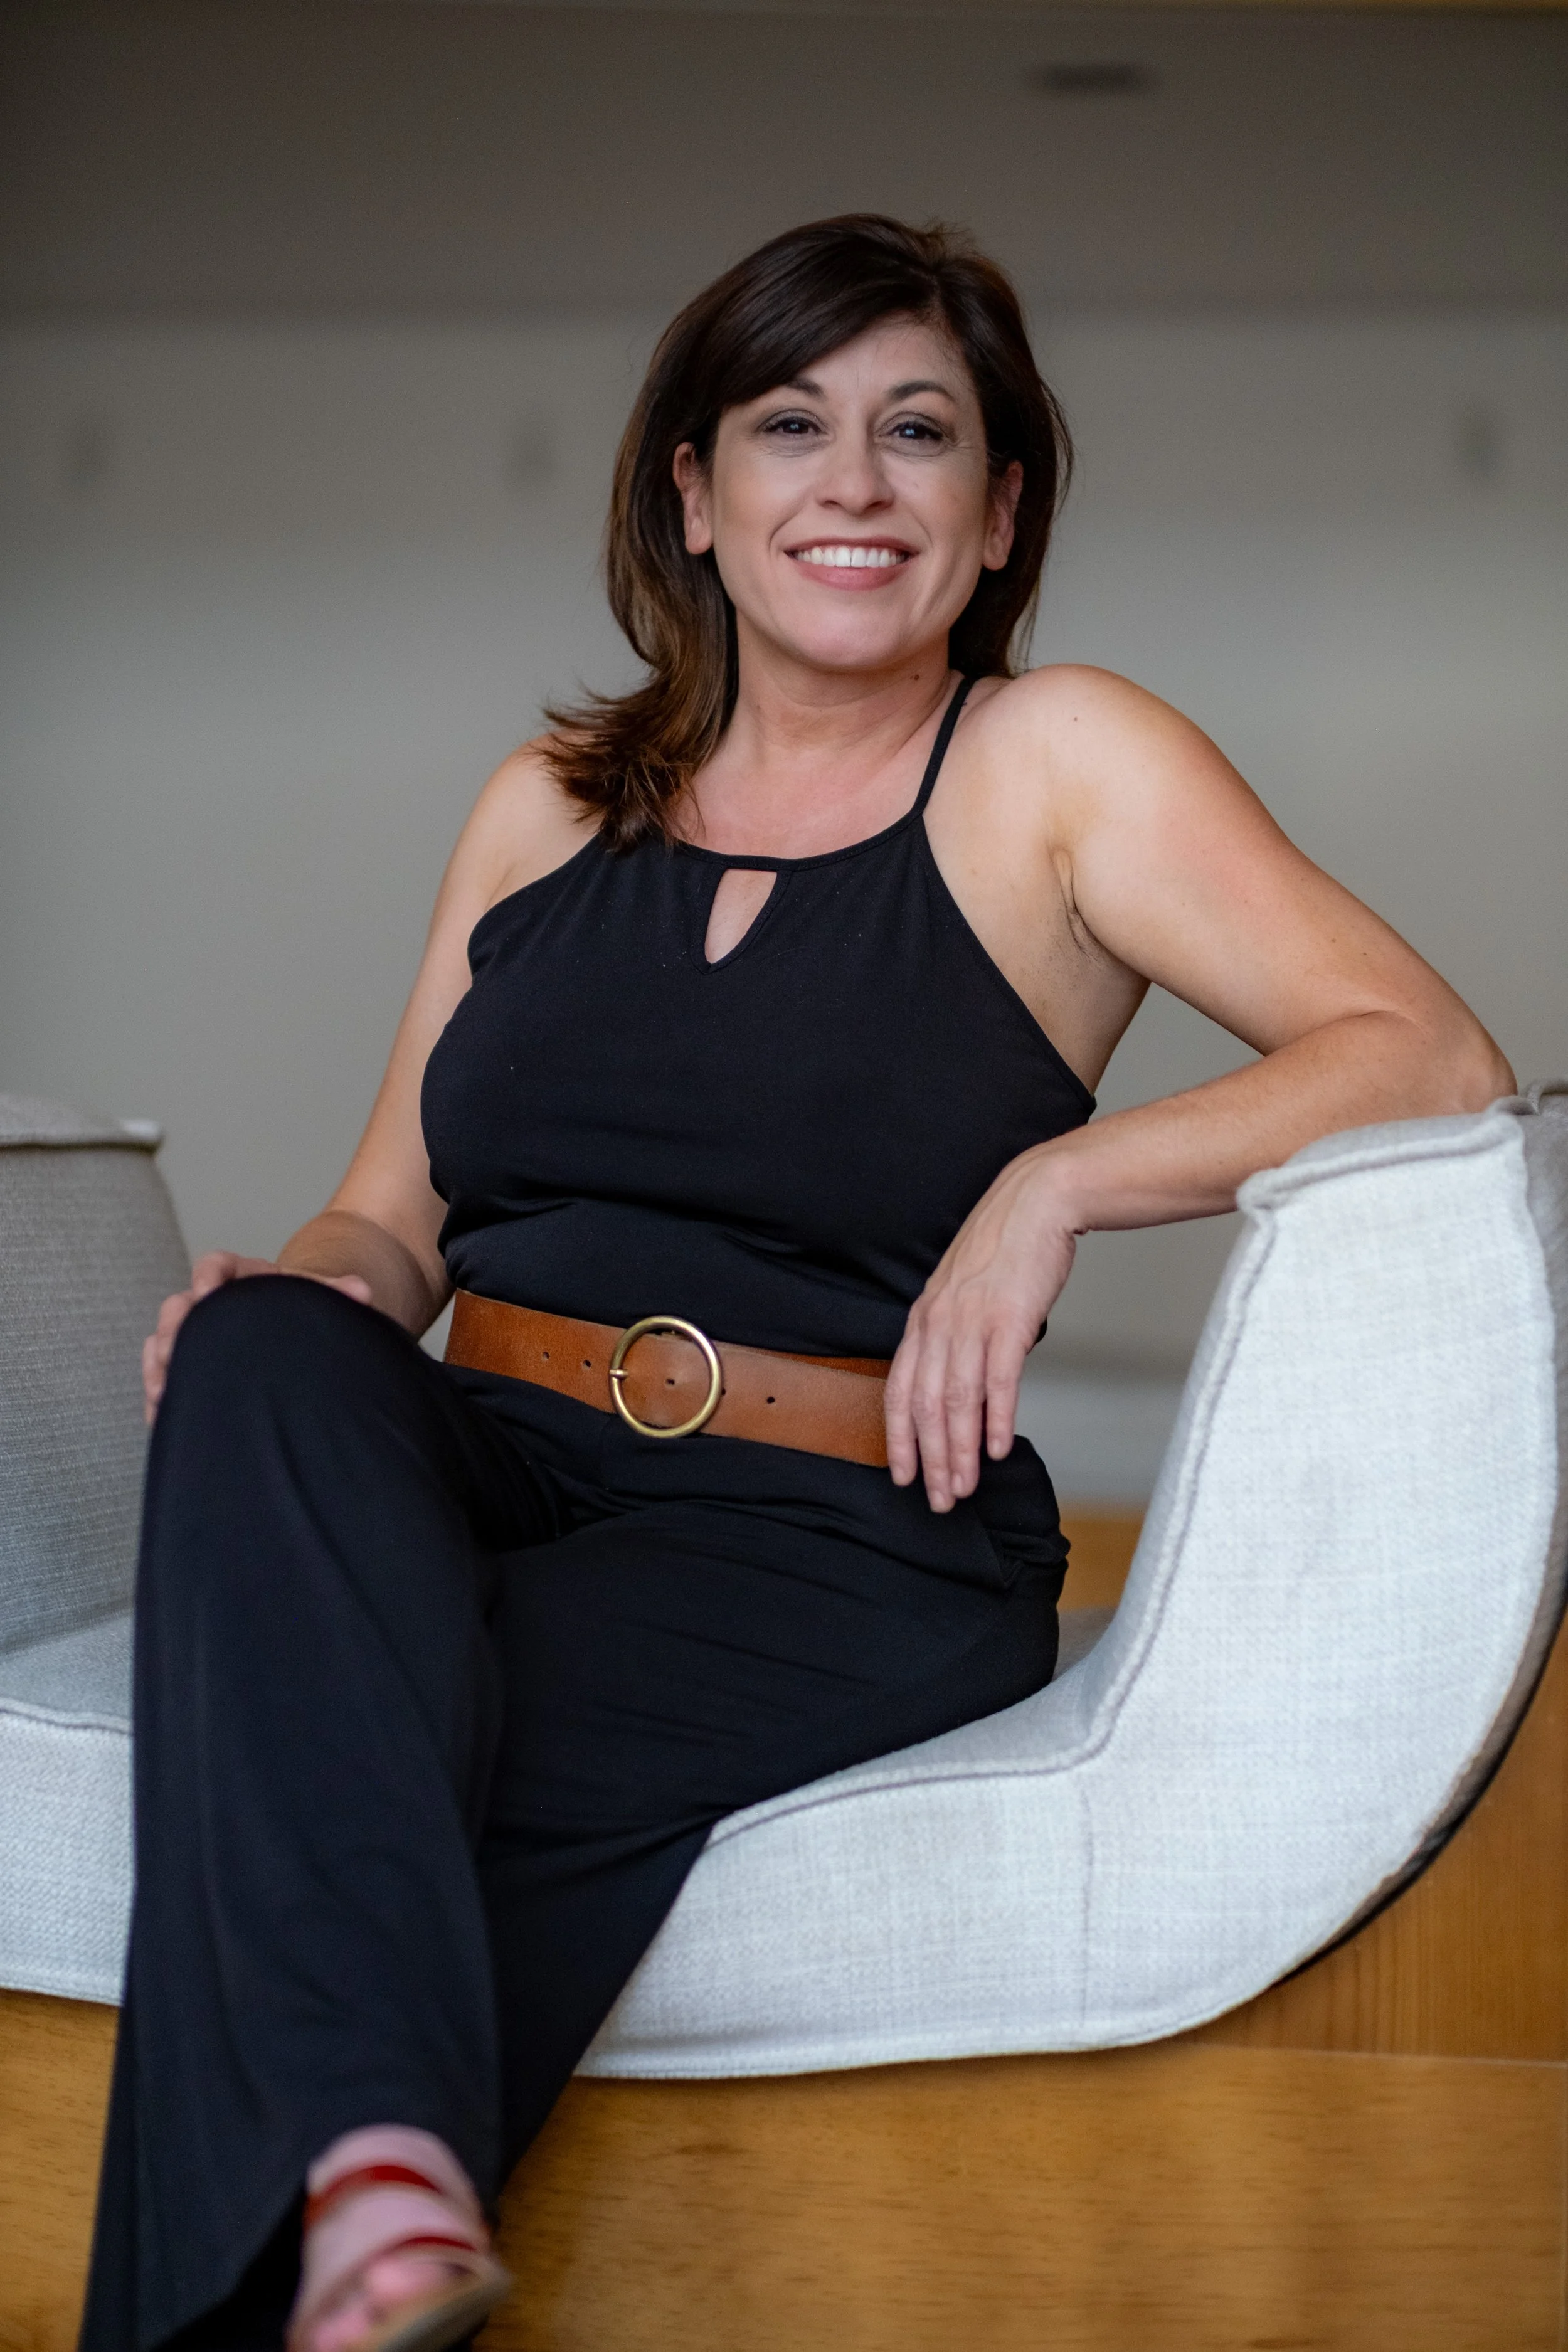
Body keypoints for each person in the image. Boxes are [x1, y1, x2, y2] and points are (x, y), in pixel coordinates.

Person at [82, 214, 1512, 2352]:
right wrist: (284, 1316)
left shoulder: (1055, 763)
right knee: (271, 1346)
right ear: (693, 490)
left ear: (998, 504)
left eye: (916, 430)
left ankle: (344, 2190)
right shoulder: (546, 804)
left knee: (329, 1743)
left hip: (829, 1536)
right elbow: (390, 1215)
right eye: (788, 425)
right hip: (491, 1453)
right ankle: (381, 2178)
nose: (850, 482)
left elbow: (1428, 1051)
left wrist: (1057, 1178)